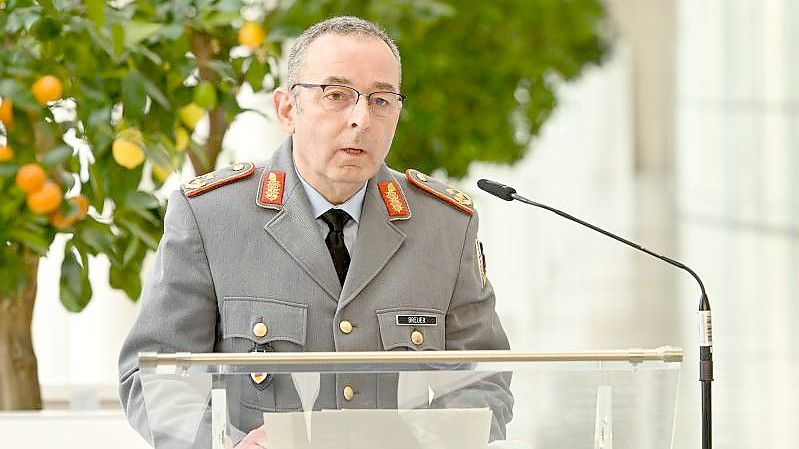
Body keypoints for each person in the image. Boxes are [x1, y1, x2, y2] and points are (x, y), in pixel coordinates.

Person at [119, 16, 512, 448]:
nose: (361, 118)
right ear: (288, 109)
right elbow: (152, 376)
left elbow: (484, 382)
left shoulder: (444, 226)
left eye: (381, 100)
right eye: (337, 95)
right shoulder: (211, 217)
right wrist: (229, 445)